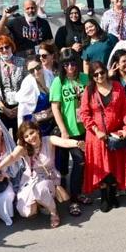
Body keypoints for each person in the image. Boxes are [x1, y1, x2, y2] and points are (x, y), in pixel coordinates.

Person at [0, 122, 85, 227]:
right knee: (27, 212)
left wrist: (77, 143)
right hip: (30, 179)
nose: (30, 137)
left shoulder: (49, 140)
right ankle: (41, 204)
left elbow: (64, 142)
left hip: (48, 177)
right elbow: (12, 156)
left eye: (32, 133)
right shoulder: (23, 148)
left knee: (40, 189)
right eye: (26, 136)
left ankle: (53, 212)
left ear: (37, 131)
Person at [80, 60, 126, 212]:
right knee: (102, 166)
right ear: (92, 77)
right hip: (96, 136)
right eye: (95, 75)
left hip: (115, 134)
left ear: (106, 71)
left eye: (101, 72)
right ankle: (104, 195)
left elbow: (125, 110)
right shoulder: (88, 91)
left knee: (115, 164)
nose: (99, 76)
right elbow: (84, 114)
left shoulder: (117, 87)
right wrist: (96, 130)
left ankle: (113, 193)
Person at [49, 51, 90, 216]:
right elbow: (55, 108)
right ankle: (73, 200)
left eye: (73, 63)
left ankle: (78, 193)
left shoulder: (85, 79)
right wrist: (64, 131)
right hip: (69, 131)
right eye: (66, 64)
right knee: (78, 162)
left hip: (85, 129)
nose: (70, 67)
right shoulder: (59, 82)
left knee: (84, 163)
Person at [0, 35, 27, 129]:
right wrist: (4, 108)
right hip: (3, 109)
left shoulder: (22, 62)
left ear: (11, 47)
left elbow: (28, 87)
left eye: (7, 47)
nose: (4, 50)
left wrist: (19, 107)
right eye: (1, 49)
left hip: (21, 107)